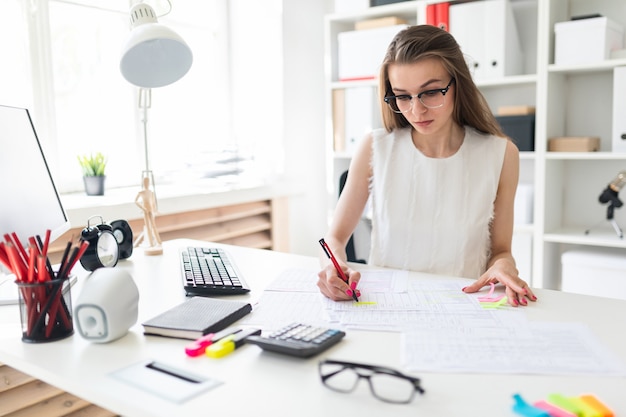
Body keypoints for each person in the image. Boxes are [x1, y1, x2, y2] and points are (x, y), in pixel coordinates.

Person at [317, 25, 537, 307]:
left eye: (431, 92)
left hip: (464, 307)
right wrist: (331, 267)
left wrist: (504, 266)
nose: (416, 111)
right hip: (387, 306)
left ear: (458, 84)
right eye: (403, 96)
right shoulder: (375, 147)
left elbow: (501, 251)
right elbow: (334, 238)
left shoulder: (501, 154)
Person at [134, 174, 163, 255]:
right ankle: (151, 243)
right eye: (145, 182)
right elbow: (135, 201)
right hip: (145, 211)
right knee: (148, 227)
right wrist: (142, 208)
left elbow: (153, 202)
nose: (147, 183)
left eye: (148, 182)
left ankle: (158, 241)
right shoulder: (141, 192)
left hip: (150, 210)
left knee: (153, 226)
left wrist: (155, 210)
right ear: (143, 183)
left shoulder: (151, 192)